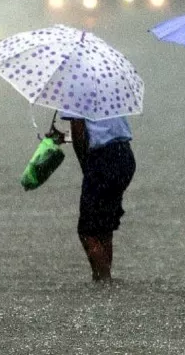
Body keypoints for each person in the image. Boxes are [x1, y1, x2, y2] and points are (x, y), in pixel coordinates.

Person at [53, 113, 136, 282]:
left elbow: (79, 131)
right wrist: (64, 137)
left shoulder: (76, 90)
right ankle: (104, 281)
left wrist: (86, 166)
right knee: (104, 228)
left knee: (87, 231)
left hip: (102, 161)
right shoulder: (110, 88)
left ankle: (104, 282)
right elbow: (105, 131)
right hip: (124, 156)